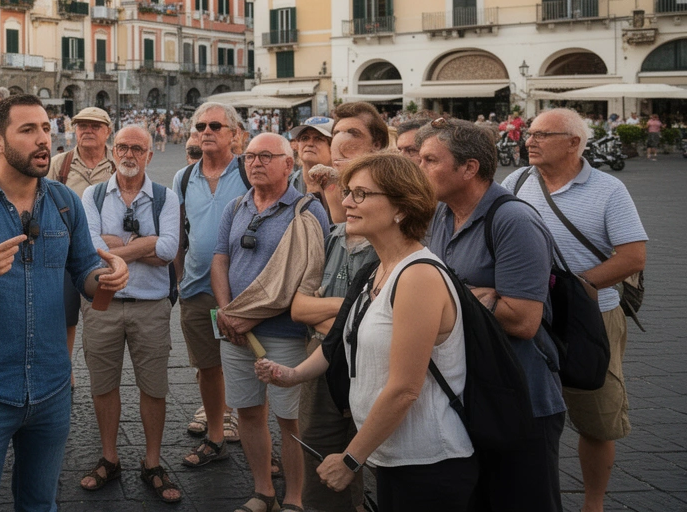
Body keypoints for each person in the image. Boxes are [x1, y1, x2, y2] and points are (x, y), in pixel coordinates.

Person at [0, 94, 129, 511]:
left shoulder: (64, 202)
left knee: (40, 504)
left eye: (46, 129)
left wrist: (108, 279)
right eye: (29, 130)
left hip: (52, 390)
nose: (44, 140)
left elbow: (87, 274)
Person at [257, 153, 477, 512]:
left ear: (401, 208)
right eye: (347, 192)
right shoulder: (376, 271)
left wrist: (350, 458)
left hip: (428, 461)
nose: (345, 202)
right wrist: (292, 375)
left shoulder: (417, 276)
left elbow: (405, 388)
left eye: (360, 194)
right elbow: (337, 345)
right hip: (395, 457)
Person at [502, 108, 648, 512]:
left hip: (593, 317)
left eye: (542, 134)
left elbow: (633, 256)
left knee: (596, 419)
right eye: (529, 133)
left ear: (573, 142)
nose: (529, 140)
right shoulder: (515, 182)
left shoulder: (609, 189)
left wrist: (577, 287)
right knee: (525, 411)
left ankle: (592, 505)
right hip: (528, 316)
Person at [417, 117, 566, 512]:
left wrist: (452, 296)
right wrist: (475, 295)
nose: (419, 168)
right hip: (470, 390)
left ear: (469, 168)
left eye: (430, 160)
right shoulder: (441, 216)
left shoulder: (513, 220)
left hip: (521, 396)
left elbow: (523, 319)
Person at [212, 133, 329, 512]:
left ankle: (295, 499)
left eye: (266, 156)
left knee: (290, 420)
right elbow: (220, 261)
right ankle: (264, 492)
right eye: (249, 157)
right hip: (236, 333)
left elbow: (306, 280)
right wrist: (227, 311)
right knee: (247, 413)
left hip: (285, 335)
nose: (255, 163)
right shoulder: (236, 206)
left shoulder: (308, 211)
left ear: (288, 164)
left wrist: (250, 316)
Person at [78, 124, 183, 503]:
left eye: (137, 148)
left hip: (151, 307)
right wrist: (144, 246)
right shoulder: (92, 195)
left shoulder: (164, 197)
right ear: (112, 151)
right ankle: (110, 457)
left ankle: (152, 462)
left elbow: (170, 249)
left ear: (149, 155)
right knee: (103, 386)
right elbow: (88, 247)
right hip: (103, 304)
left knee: (153, 388)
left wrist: (116, 247)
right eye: (122, 146)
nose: (128, 154)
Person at [289, 131, 378, 512]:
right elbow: (297, 308)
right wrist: (351, 310)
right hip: (325, 359)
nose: (343, 192)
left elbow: (378, 326)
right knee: (317, 444)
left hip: (371, 363)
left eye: (359, 191)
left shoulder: (394, 249)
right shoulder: (330, 236)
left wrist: (328, 311)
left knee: (374, 454)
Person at [174, 102, 250, 466]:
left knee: (250, 364)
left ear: (234, 134)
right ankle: (216, 435)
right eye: (201, 125)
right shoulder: (184, 178)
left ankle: (256, 442)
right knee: (207, 366)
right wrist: (178, 280)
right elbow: (177, 235)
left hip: (243, 292)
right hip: (195, 289)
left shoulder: (250, 171)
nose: (206, 131)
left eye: (216, 126)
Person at [49, 107, 116, 380]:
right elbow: (43, 201)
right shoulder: (60, 164)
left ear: (107, 132)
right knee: (64, 318)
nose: (87, 131)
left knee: (101, 319)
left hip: (105, 256)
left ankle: (101, 376)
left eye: (95, 126)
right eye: (82, 126)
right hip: (64, 256)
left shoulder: (116, 163)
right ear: (73, 130)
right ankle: (65, 373)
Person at [289, 116, 333, 195]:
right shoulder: (285, 186)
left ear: (333, 147)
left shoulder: (347, 186)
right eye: (304, 138)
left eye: (318, 139)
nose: (310, 144)